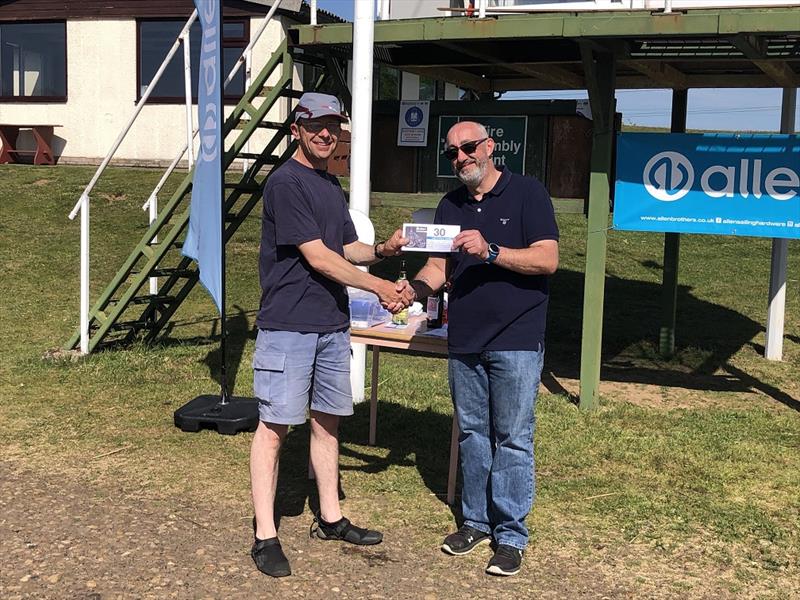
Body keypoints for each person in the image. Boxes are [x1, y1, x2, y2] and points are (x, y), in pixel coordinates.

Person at [249, 92, 414, 578]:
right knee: (274, 428)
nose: (327, 133)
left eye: (334, 126)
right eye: (317, 125)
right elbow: (319, 257)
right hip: (288, 325)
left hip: (330, 325)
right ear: (296, 128)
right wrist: (382, 287)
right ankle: (264, 534)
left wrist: (384, 249)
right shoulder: (285, 183)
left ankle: (330, 518)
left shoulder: (329, 185)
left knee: (328, 424)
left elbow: (347, 247)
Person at [409, 121, 559, 577]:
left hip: (516, 337)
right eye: (452, 152)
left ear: (489, 147)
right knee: (472, 434)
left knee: (512, 437)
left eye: (469, 147)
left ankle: (510, 534)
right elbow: (438, 266)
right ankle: (475, 521)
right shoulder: (448, 204)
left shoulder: (528, 193)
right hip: (465, 340)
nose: (461, 157)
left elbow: (547, 259)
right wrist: (410, 290)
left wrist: (492, 250)